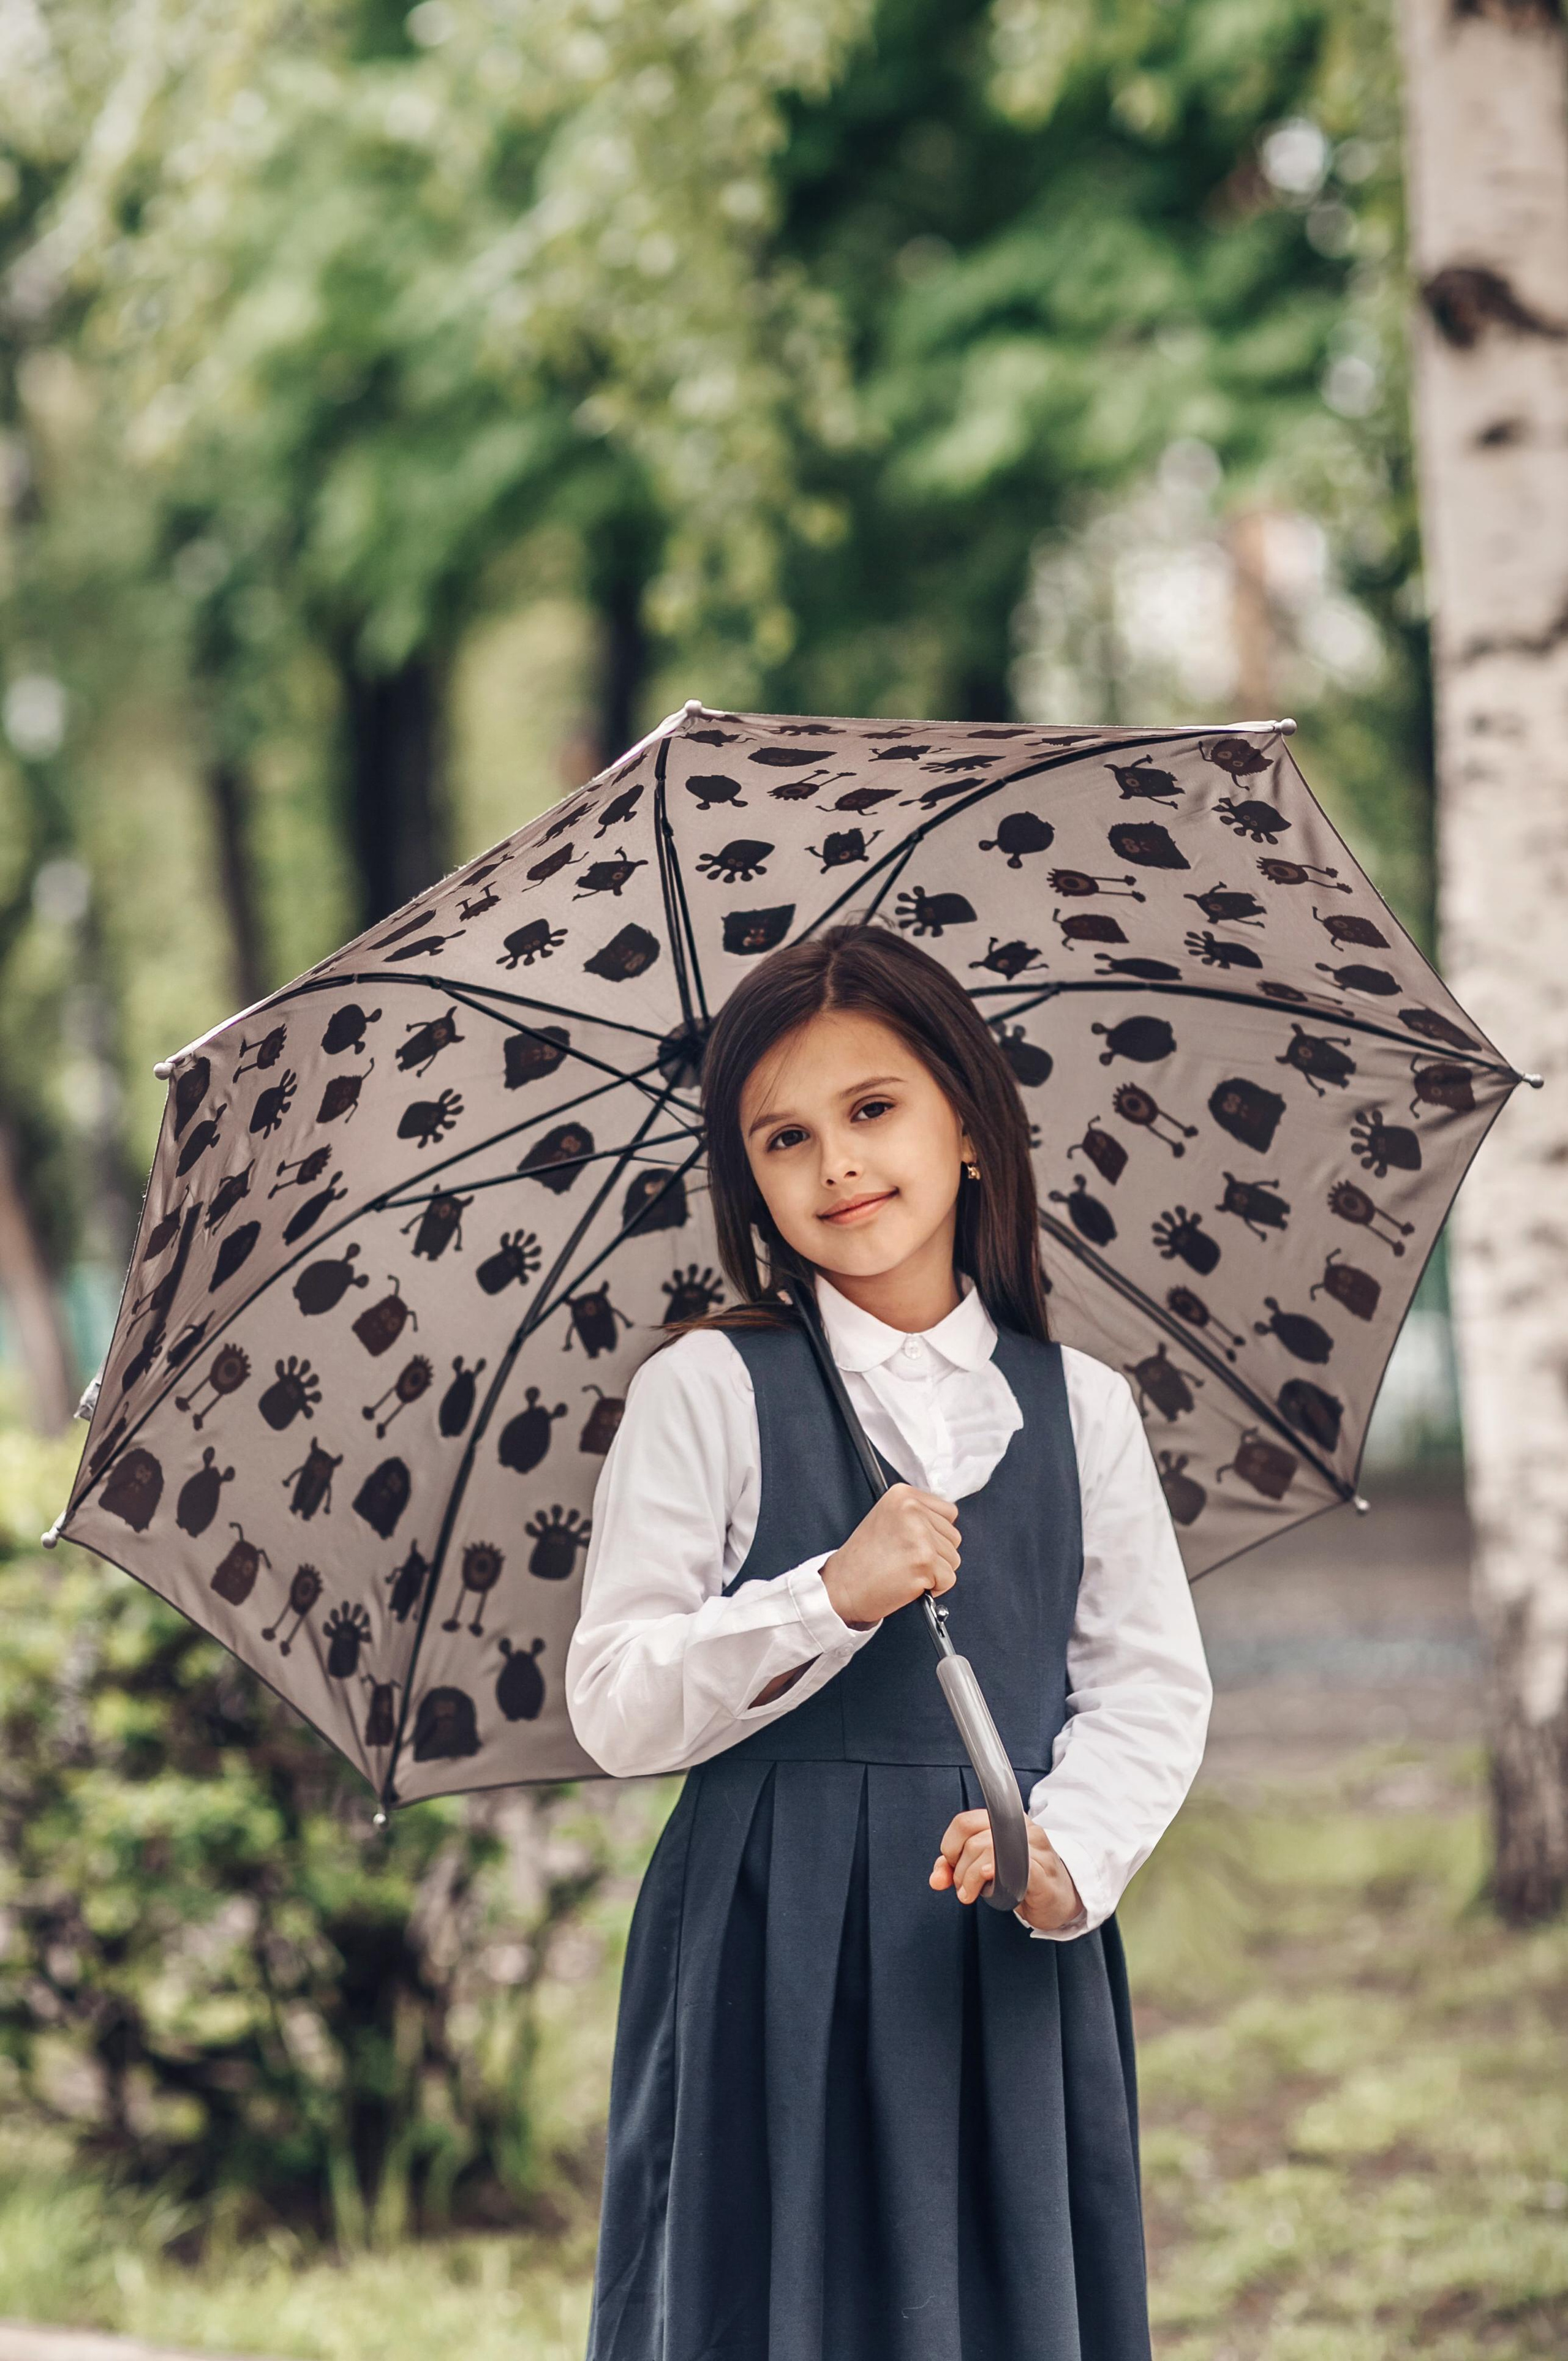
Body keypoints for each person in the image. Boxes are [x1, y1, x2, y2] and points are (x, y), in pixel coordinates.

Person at [565, 921, 1212, 2361]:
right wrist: (828, 1595)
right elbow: (613, 1700)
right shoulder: (706, 1388)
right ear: (748, 1177)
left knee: (993, 2308)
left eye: (871, 1108)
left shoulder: (1078, 1405)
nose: (836, 1163)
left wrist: (1063, 1853)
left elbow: (1145, 1685)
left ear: (967, 1124)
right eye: (783, 1137)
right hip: (767, 1938)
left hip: (997, 1938)